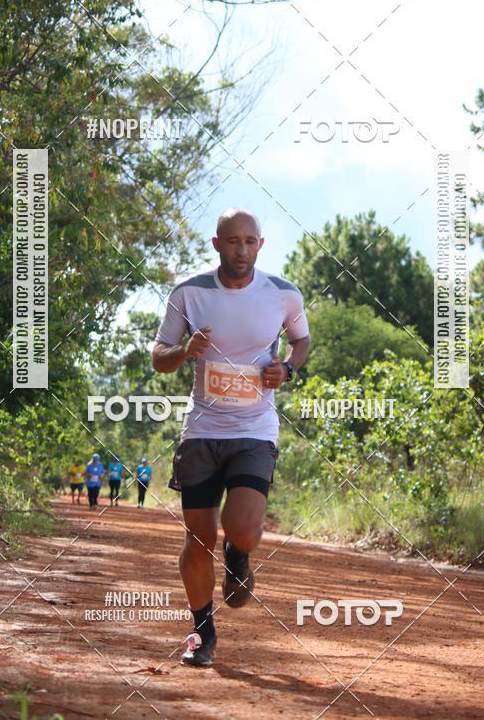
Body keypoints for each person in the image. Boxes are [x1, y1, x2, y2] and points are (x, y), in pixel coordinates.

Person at [152, 208, 311, 668]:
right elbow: (159, 357)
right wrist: (183, 350)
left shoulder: (283, 295)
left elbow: (300, 341)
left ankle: (238, 557)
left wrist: (289, 369)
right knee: (197, 539)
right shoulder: (189, 293)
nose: (241, 250)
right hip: (202, 430)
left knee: (243, 527)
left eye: (249, 241)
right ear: (217, 244)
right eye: (232, 241)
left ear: (260, 245)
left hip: (254, 431)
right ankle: (202, 632)